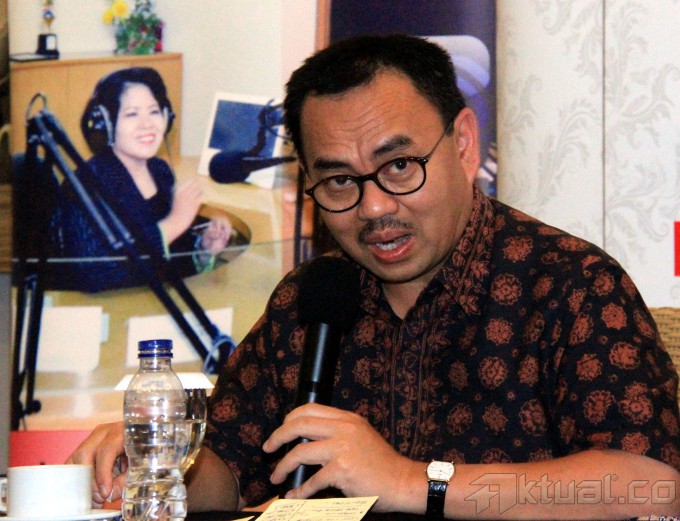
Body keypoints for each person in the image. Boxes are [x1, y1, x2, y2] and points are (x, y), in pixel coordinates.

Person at [68, 35, 680, 519]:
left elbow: (651, 484)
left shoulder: (569, 284)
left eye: (399, 165)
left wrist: (412, 481)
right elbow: (227, 470)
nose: (374, 208)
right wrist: (161, 461)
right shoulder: (310, 299)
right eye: (339, 181)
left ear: (464, 145)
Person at [50, 67, 231, 292]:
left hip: (161, 303)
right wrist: (173, 225)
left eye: (154, 111)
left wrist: (203, 250)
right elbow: (92, 275)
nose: (147, 124)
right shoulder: (85, 185)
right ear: (105, 125)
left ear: (166, 117)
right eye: (132, 114)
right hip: (114, 308)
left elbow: (171, 261)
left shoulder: (160, 171)